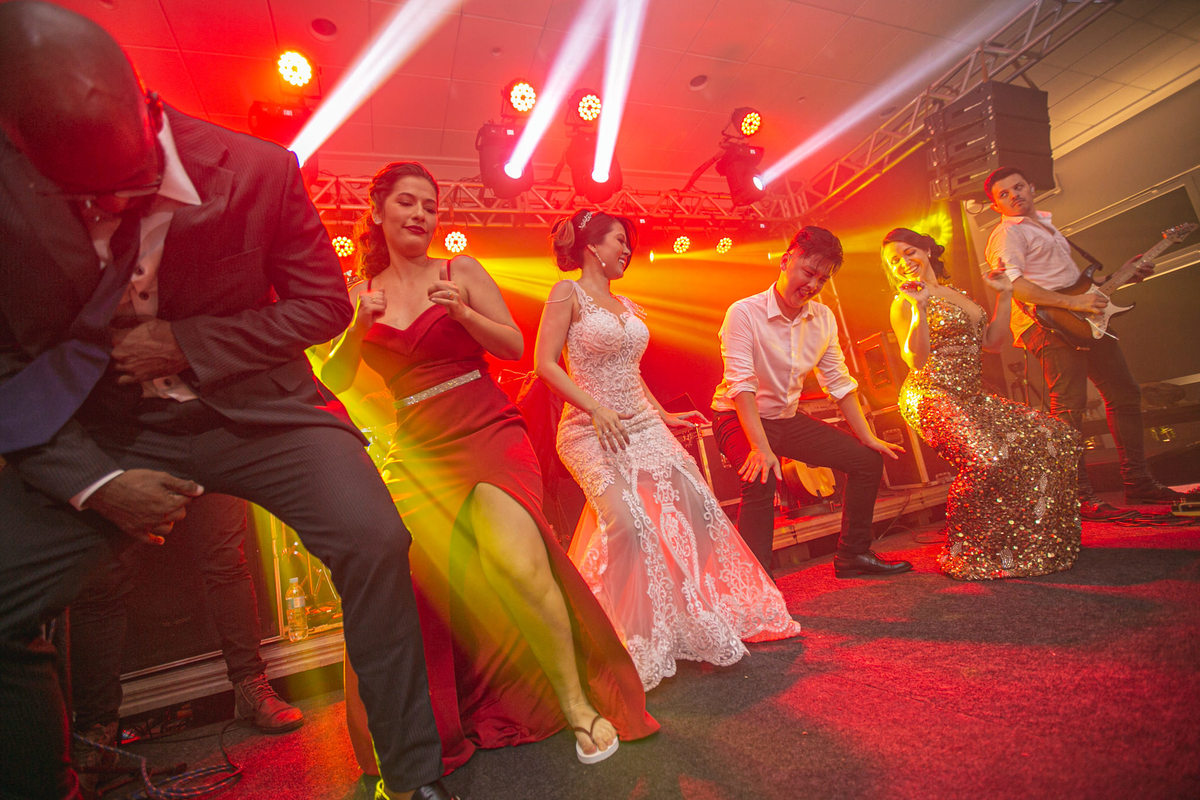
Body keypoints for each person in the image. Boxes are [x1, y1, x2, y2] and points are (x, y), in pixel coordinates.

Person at [0, 5, 451, 799]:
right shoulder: (12, 189)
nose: (105, 207)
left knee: (376, 540)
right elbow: (11, 360)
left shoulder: (258, 168)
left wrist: (188, 343)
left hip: (261, 414)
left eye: (124, 184)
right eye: (82, 196)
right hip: (110, 433)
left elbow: (321, 306)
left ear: (147, 105)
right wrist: (97, 485)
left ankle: (413, 781)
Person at [321, 163, 657, 775]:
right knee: (407, 585)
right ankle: (427, 725)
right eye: (406, 202)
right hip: (418, 448)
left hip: (486, 425)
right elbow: (333, 380)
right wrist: (359, 325)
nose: (421, 214)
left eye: (429, 205)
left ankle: (577, 703)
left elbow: (511, 347)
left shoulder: (461, 271)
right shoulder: (356, 295)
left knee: (517, 562)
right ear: (376, 211)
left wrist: (466, 315)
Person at [533, 209, 802, 691]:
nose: (627, 251)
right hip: (588, 429)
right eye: (619, 241)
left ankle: (691, 620)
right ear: (592, 246)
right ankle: (629, 638)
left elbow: (631, 374)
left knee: (695, 507)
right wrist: (595, 409)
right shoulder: (566, 294)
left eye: (629, 244)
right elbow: (545, 365)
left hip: (640, 421)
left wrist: (662, 414)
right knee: (627, 523)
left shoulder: (628, 305)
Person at [983, 166, 1194, 519]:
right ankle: (1079, 496)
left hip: (1081, 319)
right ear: (996, 206)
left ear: (1032, 187)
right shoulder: (1006, 235)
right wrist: (1074, 304)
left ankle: (1139, 484)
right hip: (1045, 324)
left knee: (1125, 394)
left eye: (1018, 187)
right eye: (1003, 194)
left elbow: (1076, 286)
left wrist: (1119, 278)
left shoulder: (1047, 227)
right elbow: (1013, 285)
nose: (1014, 195)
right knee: (1068, 407)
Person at [710, 226, 912, 579]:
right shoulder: (743, 313)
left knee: (866, 461)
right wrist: (760, 447)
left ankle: (853, 555)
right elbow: (741, 386)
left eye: (823, 278)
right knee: (760, 478)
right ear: (787, 261)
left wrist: (866, 436)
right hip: (738, 417)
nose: (814, 285)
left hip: (785, 419)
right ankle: (757, 585)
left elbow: (839, 383)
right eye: (809, 272)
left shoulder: (823, 318)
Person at [69, 494, 302, 793]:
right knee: (103, 576)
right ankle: (96, 728)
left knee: (227, 559)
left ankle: (249, 684)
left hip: (212, 450)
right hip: (129, 457)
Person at [883, 228, 1081, 579]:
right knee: (988, 460)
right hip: (931, 394)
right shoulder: (904, 303)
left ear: (927, 250)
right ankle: (969, 551)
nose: (904, 263)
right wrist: (919, 308)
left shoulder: (957, 293)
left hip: (972, 396)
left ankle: (1032, 543)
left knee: (1054, 436)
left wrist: (1004, 296)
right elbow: (915, 360)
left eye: (908, 252)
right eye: (894, 260)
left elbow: (993, 341)